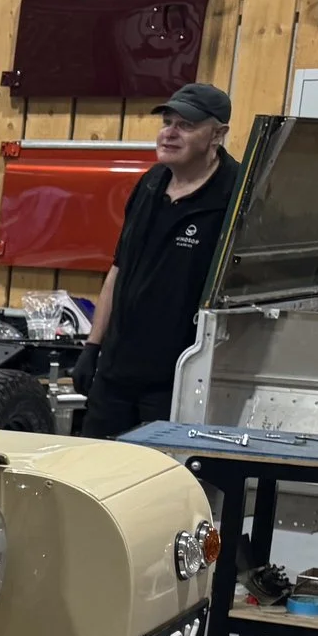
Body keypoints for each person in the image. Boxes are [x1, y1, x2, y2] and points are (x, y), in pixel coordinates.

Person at [74, 82, 240, 438]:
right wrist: (93, 346)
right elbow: (119, 268)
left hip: (178, 380)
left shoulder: (236, 195)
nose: (169, 133)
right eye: (167, 122)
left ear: (217, 134)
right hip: (116, 374)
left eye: (186, 125)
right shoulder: (150, 183)